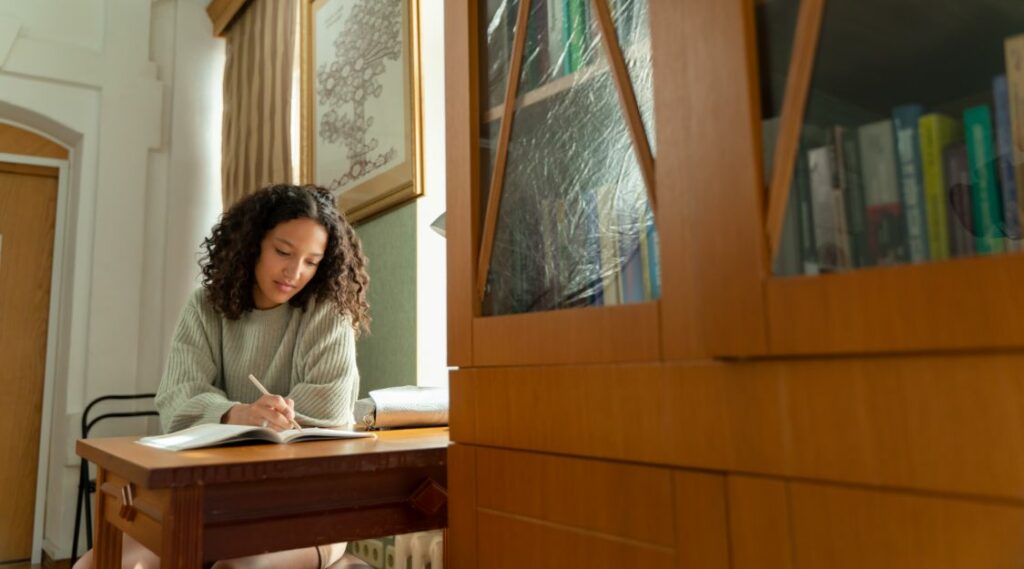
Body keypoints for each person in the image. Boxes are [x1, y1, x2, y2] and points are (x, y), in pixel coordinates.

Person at [74, 184, 370, 569]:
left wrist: (248, 419)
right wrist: (238, 413)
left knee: (238, 567)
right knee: (93, 566)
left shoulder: (327, 311)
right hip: (211, 501)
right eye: (283, 252)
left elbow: (327, 414)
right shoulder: (205, 306)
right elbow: (177, 398)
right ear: (253, 244)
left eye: (311, 261)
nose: (295, 273)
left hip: (308, 504)